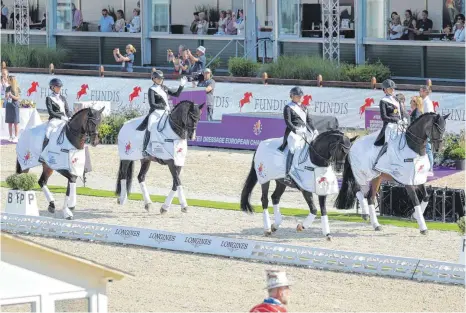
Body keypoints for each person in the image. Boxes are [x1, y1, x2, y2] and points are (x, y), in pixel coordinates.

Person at [137, 70, 187, 157]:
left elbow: (176, 94)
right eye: (158, 78)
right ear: (153, 79)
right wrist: (162, 107)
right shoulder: (151, 90)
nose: (160, 80)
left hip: (166, 112)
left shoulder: (164, 87)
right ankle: (145, 149)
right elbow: (152, 104)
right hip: (155, 112)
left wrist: (181, 85)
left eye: (161, 78)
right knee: (150, 125)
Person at [278, 87, 318, 182]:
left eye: (301, 96)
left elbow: (308, 121)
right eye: (297, 96)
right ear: (292, 96)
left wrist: (314, 129)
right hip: (293, 132)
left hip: (304, 131)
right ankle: (288, 173)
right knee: (293, 148)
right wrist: (296, 130)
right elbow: (288, 122)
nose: (300, 97)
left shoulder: (304, 107)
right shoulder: (288, 107)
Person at [41, 78, 72, 153]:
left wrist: (70, 117)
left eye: (60, 87)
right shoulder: (49, 98)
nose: (59, 88)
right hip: (54, 119)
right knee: (48, 132)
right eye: (57, 87)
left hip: (65, 119)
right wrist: (61, 117)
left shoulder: (63, 98)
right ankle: (44, 152)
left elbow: (67, 110)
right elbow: (51, 112)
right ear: (52, 87)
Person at [420, 85, 434, 175]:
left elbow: (429, 116)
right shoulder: (424, 101)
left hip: (427, 128)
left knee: (428, 148)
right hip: (425, 127)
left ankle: (430, 168)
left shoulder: (427, 102)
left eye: (421, 91)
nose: (419, 92)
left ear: (425, 92)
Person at [4, 75, 20, 142]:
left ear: (12, 80)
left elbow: (18, 98)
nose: (8, 80)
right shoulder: (7, 88)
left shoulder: (17, 88)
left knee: (15, 122)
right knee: (9, 122)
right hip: (9, 106)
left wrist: (11, 95)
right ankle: (10, 136)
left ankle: (16, 136)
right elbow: (6, 97)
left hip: (15, 106)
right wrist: (7, 96)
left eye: (9, 79)